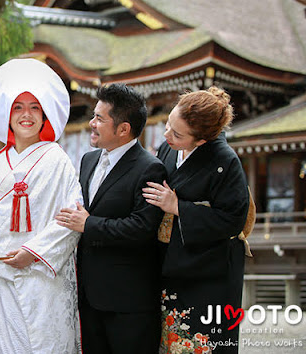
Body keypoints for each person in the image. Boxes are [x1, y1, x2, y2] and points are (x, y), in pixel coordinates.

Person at [0, 58, 82, 353]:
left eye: (34, 108)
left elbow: (71, 218)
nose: (26, 116)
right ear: (8, 115)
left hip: (39, 278)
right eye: (18, 108)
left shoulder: (57, 159)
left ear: (45, 115)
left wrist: (33, 252)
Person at [56, 83, 167, 354]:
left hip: (129, 303)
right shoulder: (88, 160)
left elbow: (142, 227)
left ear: (123, 129)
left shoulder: (150, 169)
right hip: (88, 297)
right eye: (93, 116)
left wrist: (88, 224)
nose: (91, 123)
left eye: (99, 118)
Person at [142, 87, 248, 354]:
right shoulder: (169, 148)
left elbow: (233, 219)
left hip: (209, 271)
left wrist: (178, 206)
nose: (167, 136)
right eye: (168, 125)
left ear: (202, 141)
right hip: (173, 261)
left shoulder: (224, 161)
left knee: (204, 343)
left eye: (177, 134)